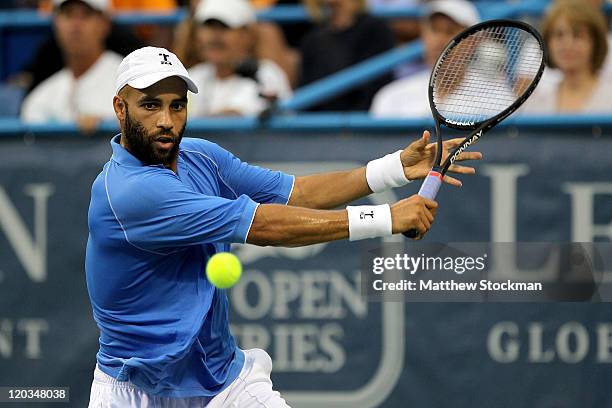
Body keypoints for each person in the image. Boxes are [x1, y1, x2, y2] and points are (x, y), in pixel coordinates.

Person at [85, 46, 482, 406]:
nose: (167, 121)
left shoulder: (200, 157)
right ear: (120, 108)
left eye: (177, 106)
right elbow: (266, 226)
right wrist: (384, 217)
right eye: (150, 106)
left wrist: (394, 168)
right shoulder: (129, 192)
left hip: (221, 379)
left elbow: (295, 193)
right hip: (133, 391)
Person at [20, 0, 122, 132]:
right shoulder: (40, 98)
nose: (76, 25)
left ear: (105, 23)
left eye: (86, 15)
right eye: (68, 14)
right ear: (55, 23)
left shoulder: (130, 81)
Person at [370, 0, 479, 117]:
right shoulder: (389, 98)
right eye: (433, 30)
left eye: (449, 31)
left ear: (474, 41)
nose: (439, 40)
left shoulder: (497, 97)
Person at [187, 0, 292, 116]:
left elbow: (237, 117)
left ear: (247, 35)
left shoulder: (267, 74)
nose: (214, 36)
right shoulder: (190, 78)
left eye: (224, 27)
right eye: (208, 27)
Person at [299, 0, 396, 111]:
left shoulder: (375, 29)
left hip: (364, 120)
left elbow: (377, 87)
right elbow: (306, 93)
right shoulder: (312, 41)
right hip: (320, 121)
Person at [521, 0, 612, 114]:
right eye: (559, 35)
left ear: (595, 43)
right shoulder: (536, 103)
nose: (567, 44)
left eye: (578, 35)